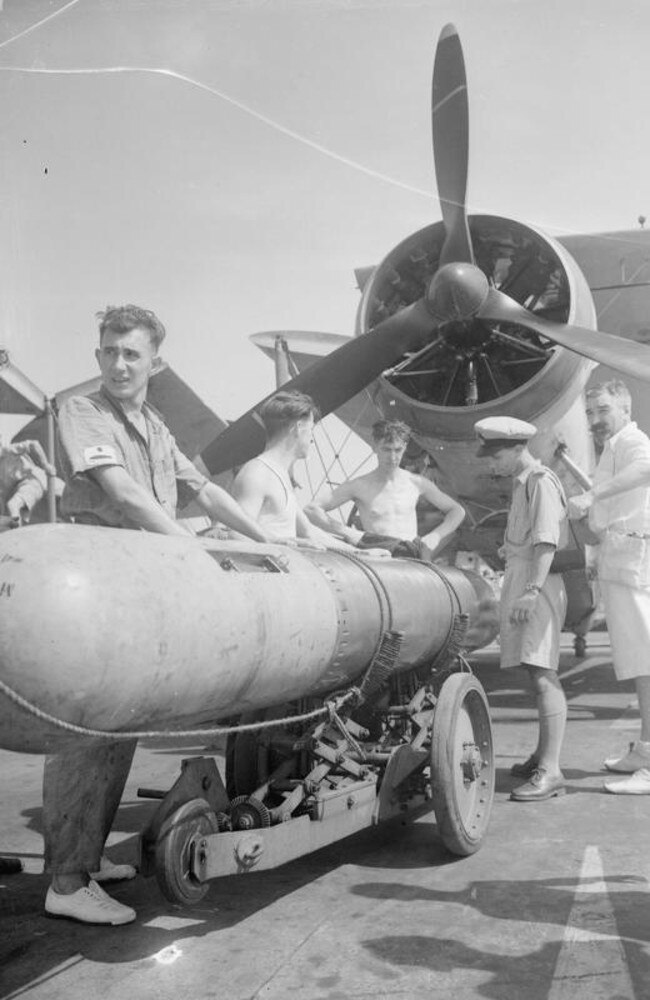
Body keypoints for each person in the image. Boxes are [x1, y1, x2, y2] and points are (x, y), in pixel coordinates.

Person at [44, 304, 270, 927]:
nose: (118, 364)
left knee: (120, 727)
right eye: (109, 352)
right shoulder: (84, 412)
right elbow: (121, 492)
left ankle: (82, 858)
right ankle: (65, 881)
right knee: (88, 726)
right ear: (98, 357)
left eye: (131, 354)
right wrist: (189, 548)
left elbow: (206, 490)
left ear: (155, 363)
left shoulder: (153, 423)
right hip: (101, 580)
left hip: (141, 583)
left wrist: (264, 540)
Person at [475, 416, 568, 802]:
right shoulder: (522, 485)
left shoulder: (539, 481)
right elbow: (529, 539)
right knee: (534, 669)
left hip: (537, 584)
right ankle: (542, 756)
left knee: (544, 672)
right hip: (525, 577)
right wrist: (509, 550)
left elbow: (546, 544)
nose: (490, 463)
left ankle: (552, 770)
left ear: (517, 449)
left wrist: (530, 591)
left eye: (495, 455)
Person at [568, 380, 650, 795]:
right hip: (617, 561)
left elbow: (647, 467)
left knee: (648, 663)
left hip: (636, 562)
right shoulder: (611, 449)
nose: (595, 420)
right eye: (589, 413)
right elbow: (599, 521)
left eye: (603, 410)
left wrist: (591, 495)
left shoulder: (633, 441)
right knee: (638, 663)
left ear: (624, 408)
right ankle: (645, 750)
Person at [231, 389, 381, 553]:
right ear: (298, 428)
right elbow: (238, 536)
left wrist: (360, 552)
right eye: (311, 429)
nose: (312, 439)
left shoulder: (279, 475)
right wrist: (286, 543)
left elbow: (309, 532)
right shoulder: (257, 473)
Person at [304, 419, 465, 559]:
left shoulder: (417, 483)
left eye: (398, 450)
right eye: (386, 449)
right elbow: (311, 509)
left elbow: (457, 510)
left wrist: (435, 536)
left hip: (413, 556)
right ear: (375, 446)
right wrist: (348, 533)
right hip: (378, 557)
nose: (393, 457)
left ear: (405, 447)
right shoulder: (359, 485)